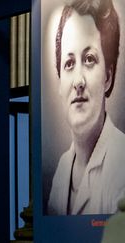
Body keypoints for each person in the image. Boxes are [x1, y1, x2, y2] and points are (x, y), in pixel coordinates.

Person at [48, 0, 125, 215]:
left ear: (108, 78)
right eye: (69, 64)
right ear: (60, 81)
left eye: (89, 59)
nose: (78, 81)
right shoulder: (62, 169)